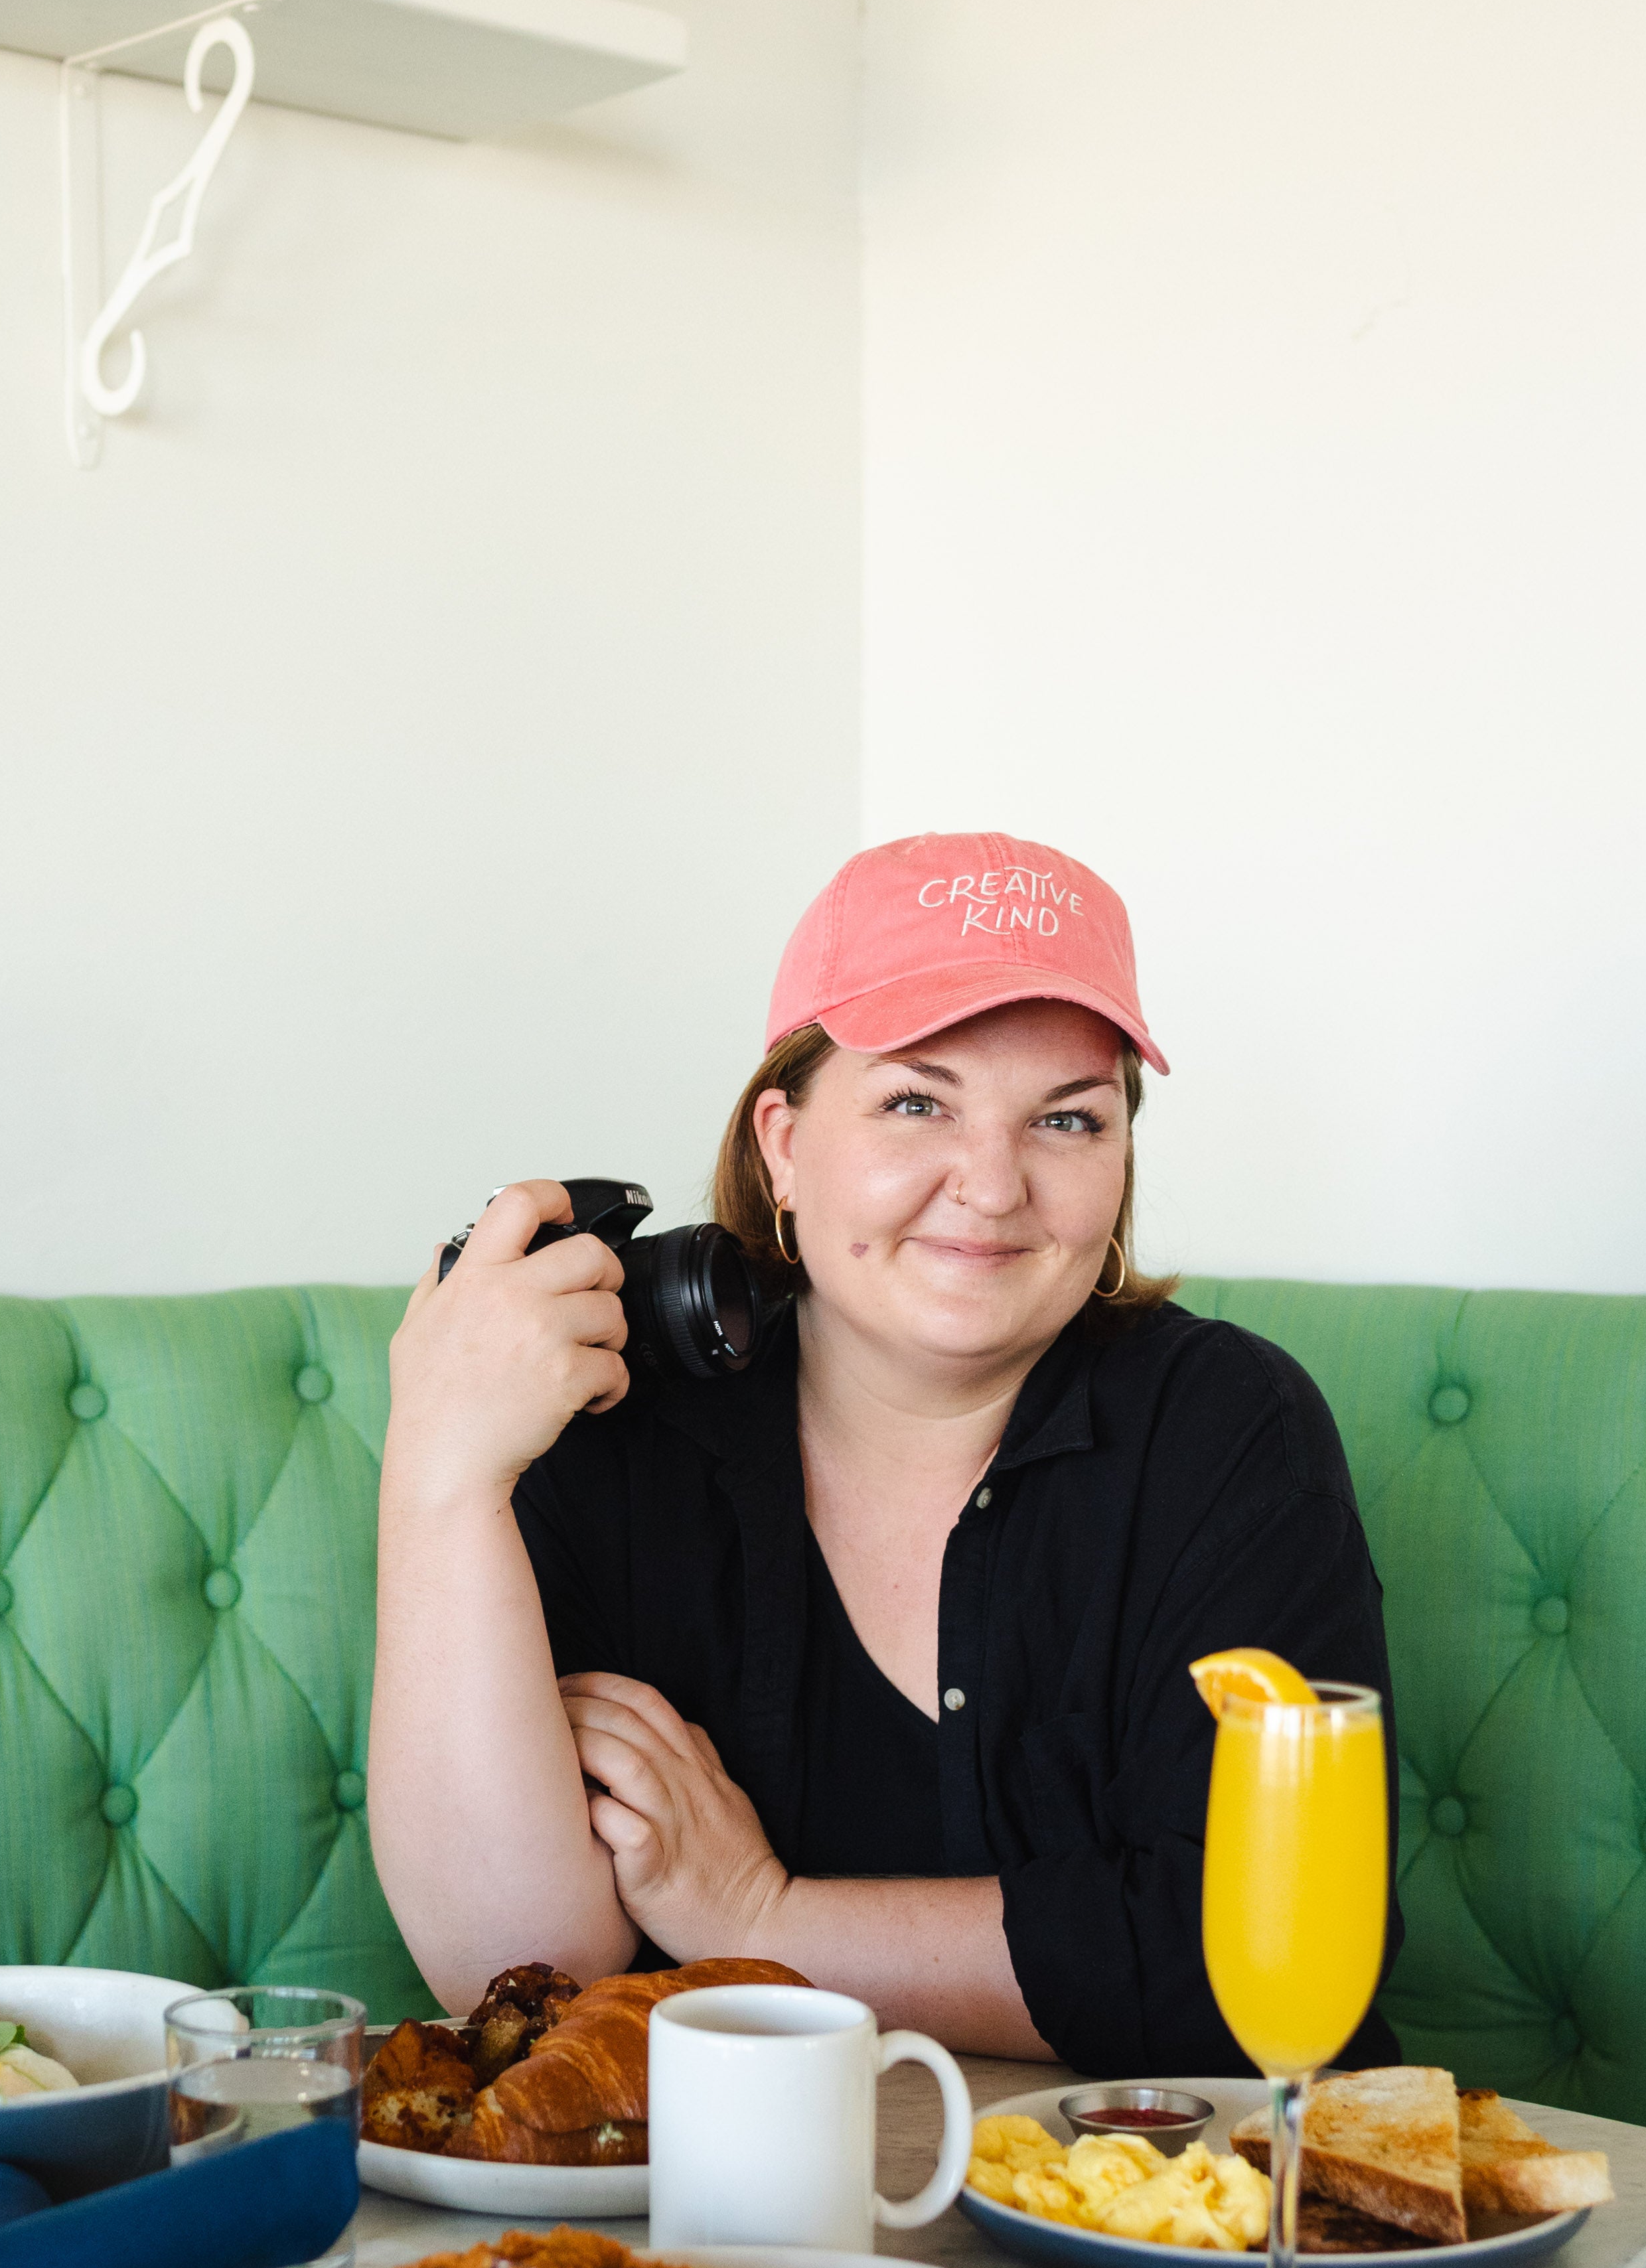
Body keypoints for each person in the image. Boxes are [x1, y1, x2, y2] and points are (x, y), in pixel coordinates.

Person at [368, 832, 1401, 2072]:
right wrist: (440, 1474)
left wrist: (760, 1923)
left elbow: (1249, 1962)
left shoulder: (1228, 1429)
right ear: (785, 1146)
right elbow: (519, 1972)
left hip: (1176, 2224)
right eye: (917, 1101)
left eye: (1068, 1120)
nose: (993, 1185)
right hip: (715, 2223)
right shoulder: (616, 1424)